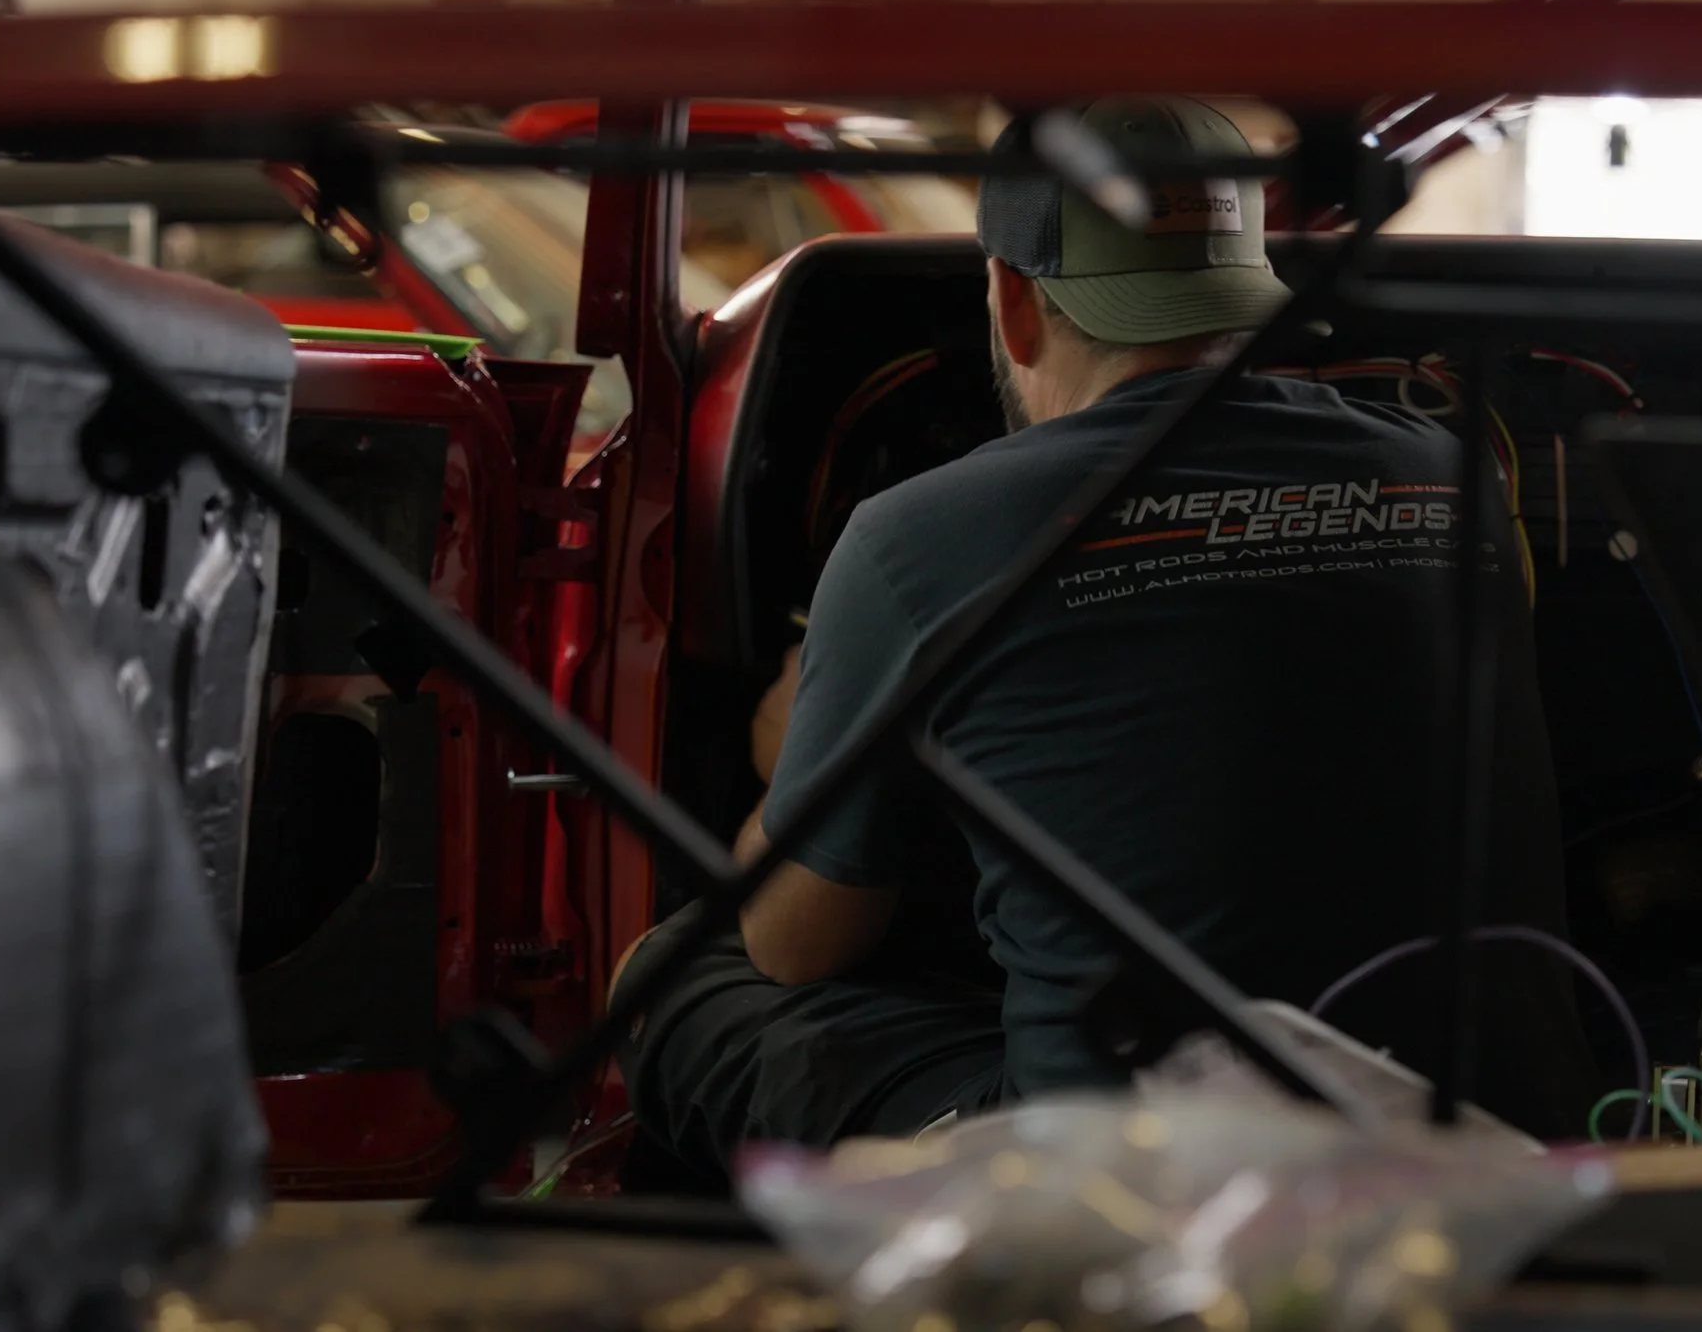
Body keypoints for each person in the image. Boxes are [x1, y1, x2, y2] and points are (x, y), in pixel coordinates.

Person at [617, 97, 1600, 1175]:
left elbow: (794, 945)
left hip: (1131, 1184)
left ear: (1011, 299)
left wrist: (790, 765)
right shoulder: (1451, 477)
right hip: (1495, 1141)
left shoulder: (918, 537)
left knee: (674, 975)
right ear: (1243, 288)